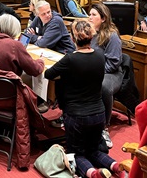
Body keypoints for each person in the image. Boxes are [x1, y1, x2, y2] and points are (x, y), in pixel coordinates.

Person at [45, 20, 123, 178]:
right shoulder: (100, 56)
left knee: (75, 153)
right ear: (91, 38)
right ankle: (116, 166)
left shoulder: (70, 60)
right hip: (99, 114)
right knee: (93, 150)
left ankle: (92, 173)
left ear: (73, 39)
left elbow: (49, 74)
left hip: (76, 116)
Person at [88, 3, 124, 150]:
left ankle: (103, 126)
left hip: (111, 73)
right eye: (89, 14)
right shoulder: (89, 32)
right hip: (93, 70)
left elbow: (113, 63)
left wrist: (94, 72)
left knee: (103, 87)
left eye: (93, 15)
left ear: (103, 18)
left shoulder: (112, 36)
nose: (89, 17)